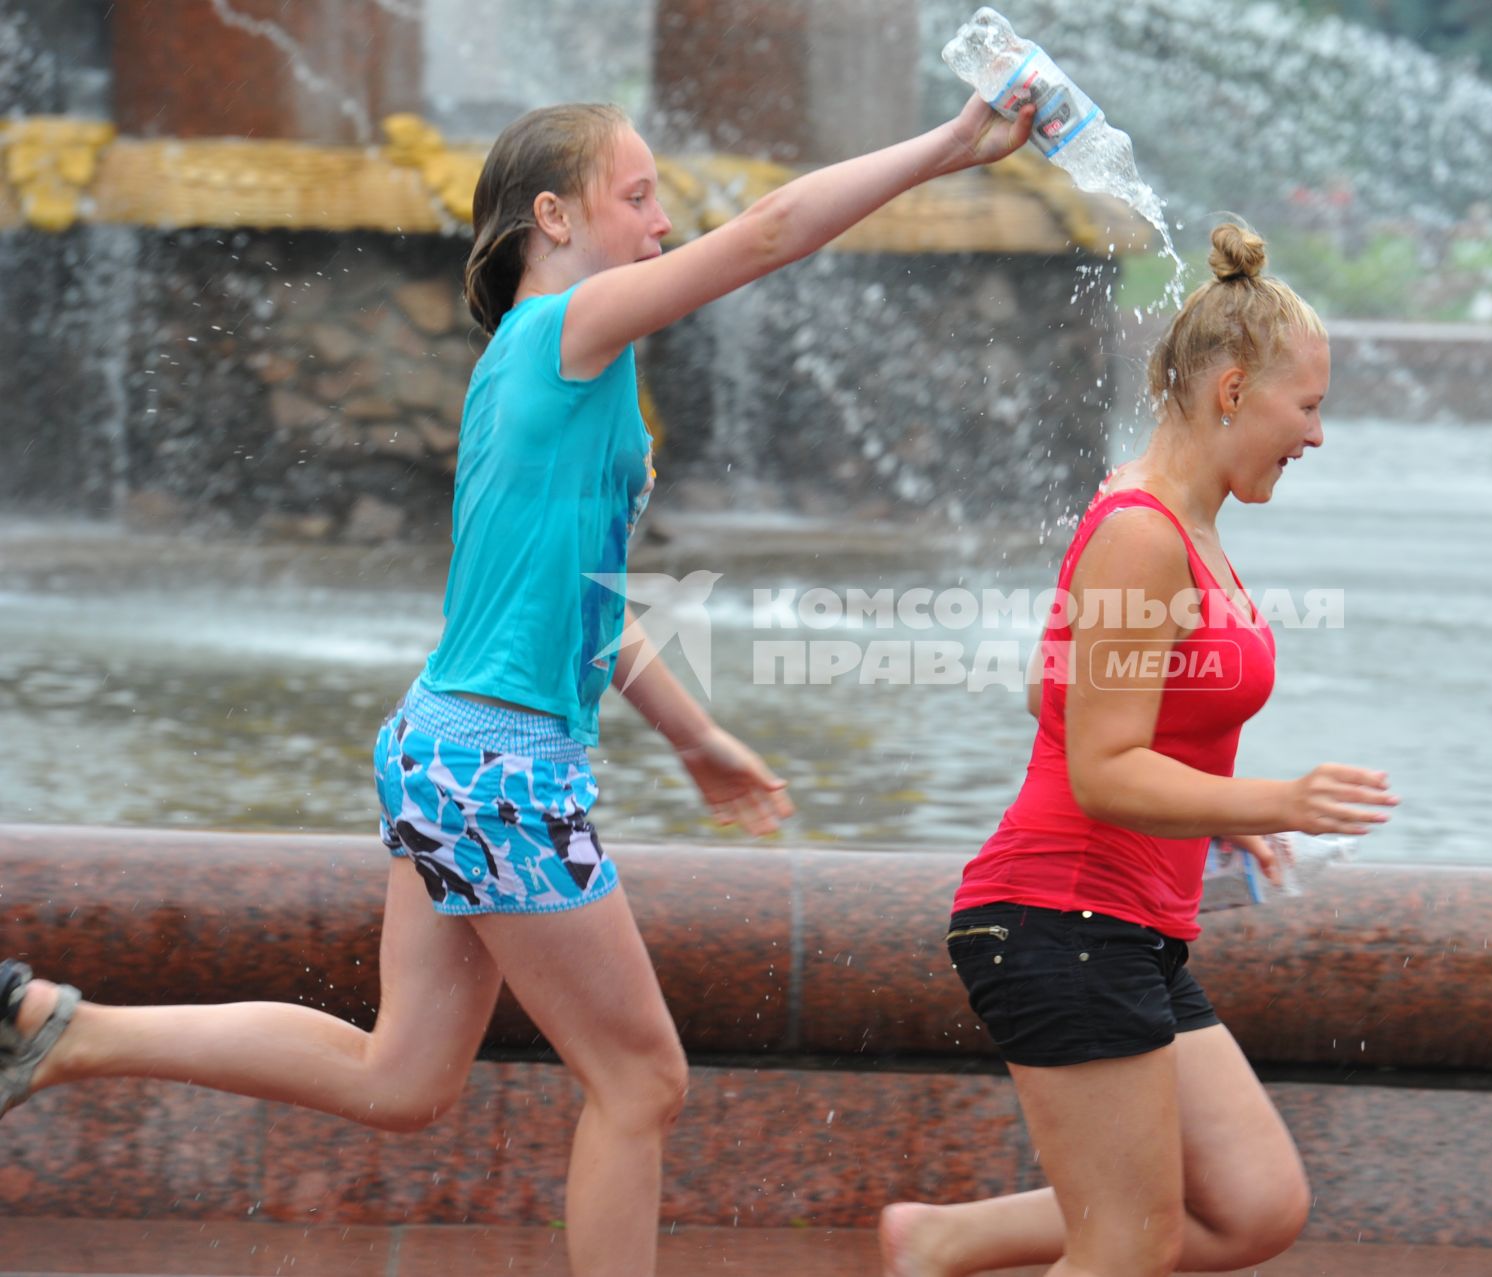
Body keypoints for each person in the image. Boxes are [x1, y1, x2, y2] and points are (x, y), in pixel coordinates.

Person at [0, 94, 1036, 1277]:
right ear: (553, 215)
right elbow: (768, 232)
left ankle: (66, 1029)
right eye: (635, 197)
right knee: (641, 1078)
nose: (659, 222)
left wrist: (697, 737)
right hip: (494, 766)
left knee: (402, 1078)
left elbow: (589, 598)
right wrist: (949, 148)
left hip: (446, 743)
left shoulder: (542, 365)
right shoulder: (564, 330)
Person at [879, 223, 1398, 1277]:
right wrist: (1275, 801)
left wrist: (1212, 810)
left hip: (1126, 923)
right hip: (1060, 915)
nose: (1317, 435)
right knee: (1128, 1245)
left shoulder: (1179, 523)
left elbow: (1052, 687)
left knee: (1254, 1206)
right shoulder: (1144, 531)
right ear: (1233, 389)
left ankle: (939, 1241)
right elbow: (1102, 768)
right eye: (1309, 407)